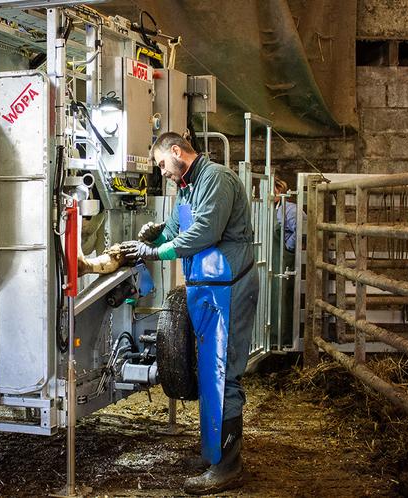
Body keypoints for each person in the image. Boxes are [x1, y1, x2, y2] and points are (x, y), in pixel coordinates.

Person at [122, 132, 259, 494]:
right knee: (208, 372)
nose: (162, 172)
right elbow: (175, 227)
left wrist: (156, 253)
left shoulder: (216, 178)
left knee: (224, 372)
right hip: (208, 287)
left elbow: (203, 233)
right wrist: (153, 237)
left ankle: (229, 467)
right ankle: (215, 452)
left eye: (162, 164)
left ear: (177, 152)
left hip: (229, 285)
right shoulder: (185, 186)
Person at [271, 177, 300, 347]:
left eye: (273, 189)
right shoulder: (265, 209)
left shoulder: (290, 210)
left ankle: (284, 340)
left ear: (280, 190)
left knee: (283, 298)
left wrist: (288, 248)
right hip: (269, 260)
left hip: (283, 260)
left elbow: (302, 228)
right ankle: (270, 340)